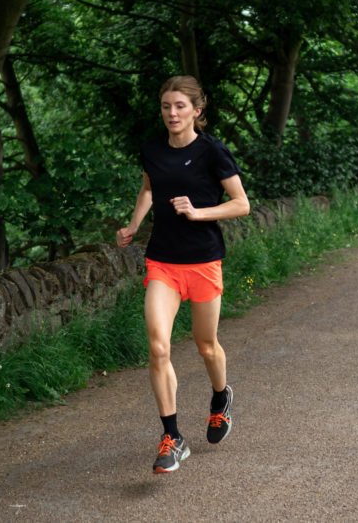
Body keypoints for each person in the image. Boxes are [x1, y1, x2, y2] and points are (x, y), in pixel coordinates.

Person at [116, 75, 250, 474]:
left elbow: (241, 203)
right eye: (165, 107)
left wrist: (199, 212)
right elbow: (148, 189)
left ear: (197, 109)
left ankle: (221, 396)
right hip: (163, 263)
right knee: (158, 347)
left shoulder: (213, 152)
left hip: (204, 261)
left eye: (179, 106)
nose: (172, 114)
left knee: (206, 346)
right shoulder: (152, 150)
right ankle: (172, 437)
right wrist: (134, 224)